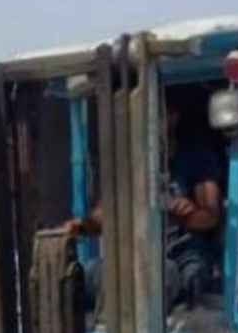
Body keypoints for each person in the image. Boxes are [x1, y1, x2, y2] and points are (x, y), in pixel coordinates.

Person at [63, 96, 222, 311]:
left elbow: (210, 216)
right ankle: (105, 327)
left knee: (166, 275)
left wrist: (184, 215)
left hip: (183, 255)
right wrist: (81, 226)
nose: (149, 123)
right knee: (85, 276)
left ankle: (151, 330)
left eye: (156, 115)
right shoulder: (128, 164)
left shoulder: (195, 158)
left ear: (173, 118)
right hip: (135, 256)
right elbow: (103, 216)